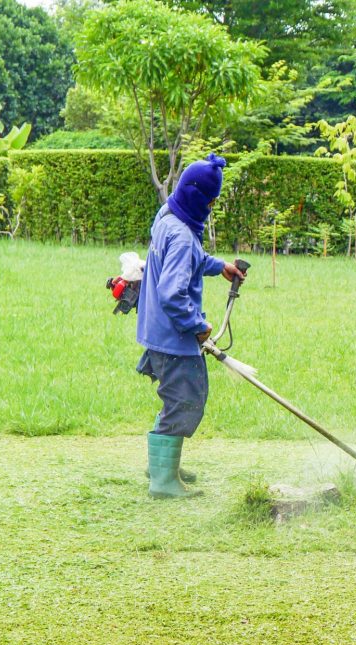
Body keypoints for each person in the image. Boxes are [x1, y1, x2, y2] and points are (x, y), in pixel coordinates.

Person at [136, 154, 245, 499]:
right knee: (186, 401)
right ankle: (163, 481)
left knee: (175, 400)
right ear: (200, 199)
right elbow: (172, 293)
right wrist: (199, 325)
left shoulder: (168, 215)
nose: (212, 207)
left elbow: (183, 258)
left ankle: (163, 464)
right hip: (174, 338)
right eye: (211, 201)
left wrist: (218, 266)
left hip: (156, 331)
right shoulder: (184, 236)